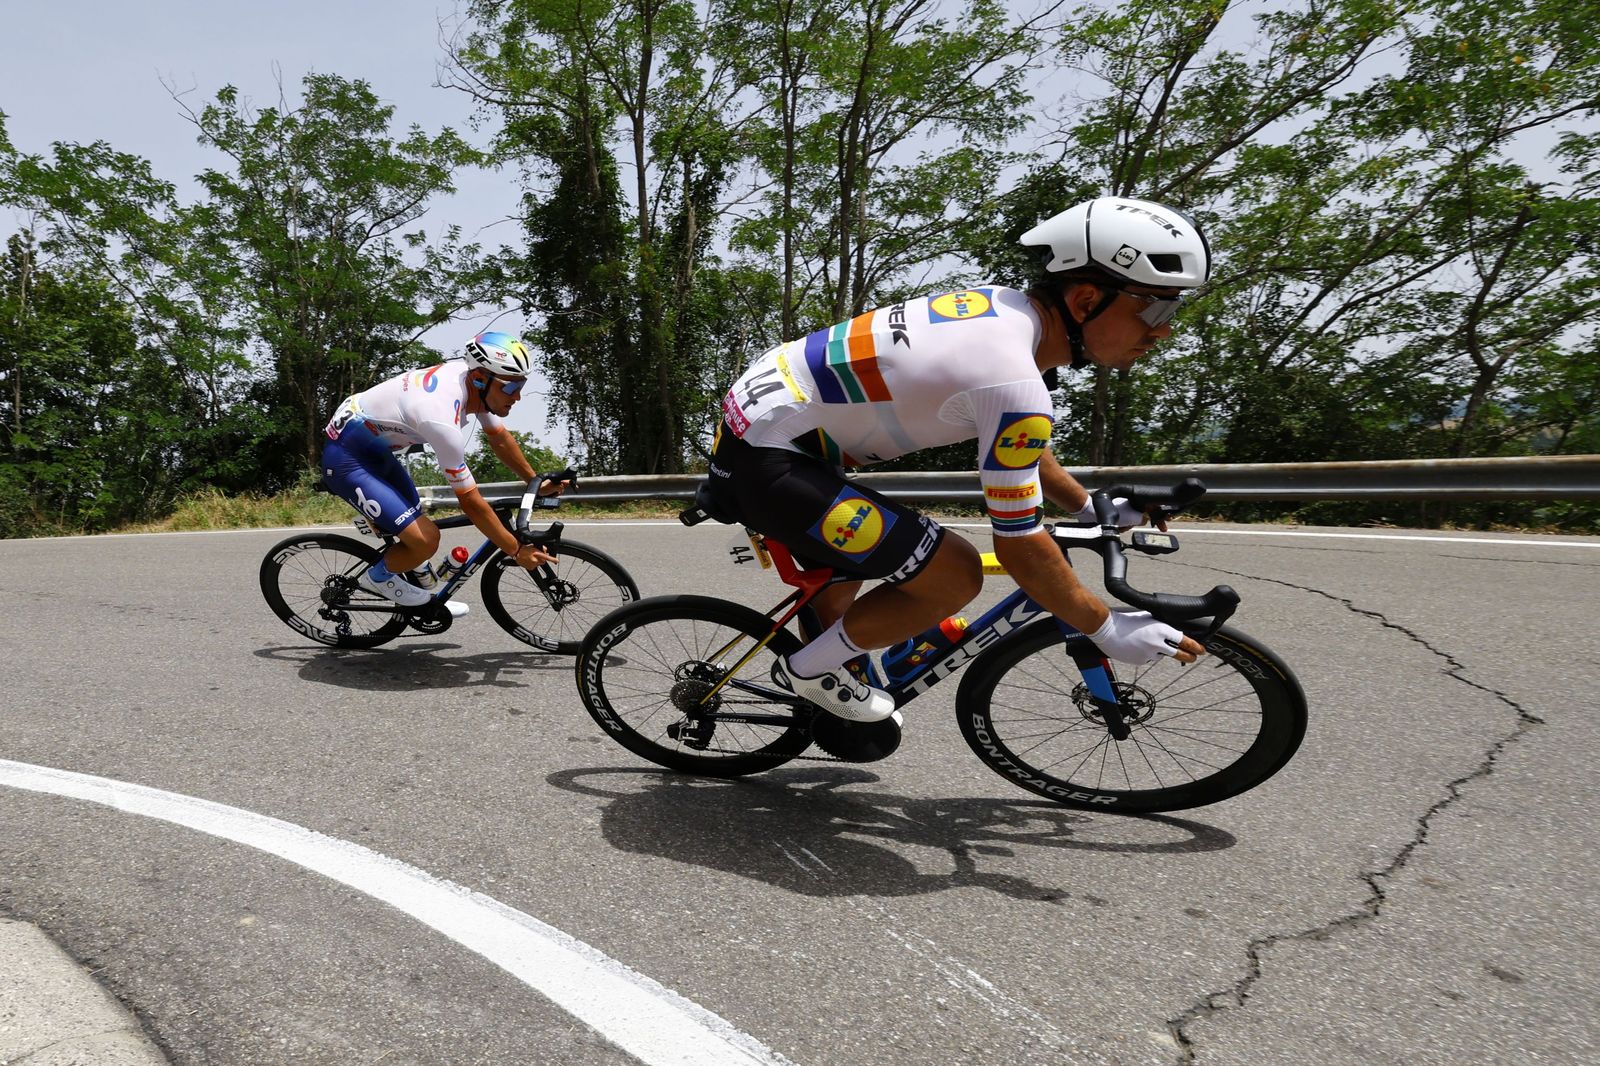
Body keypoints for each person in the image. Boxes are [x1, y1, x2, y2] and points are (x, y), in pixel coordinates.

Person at [705, 195, 1210, 723]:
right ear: (1085, 300)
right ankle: (806, 670)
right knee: (954, 573)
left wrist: (1086, 508)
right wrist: (1105, 627)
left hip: (776, 421)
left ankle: (832, 668)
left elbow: (1021, 444)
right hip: (772, 455)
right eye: (1156, 309)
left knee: (852, 584)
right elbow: (1017, 545)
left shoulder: (1005, 311)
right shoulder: (1011, 377)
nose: (1163, 330)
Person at [321, 331, 563, 612]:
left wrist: (534, 480)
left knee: (414, 527)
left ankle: (404, 562)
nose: (518, 396)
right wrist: (517, 550)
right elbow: (469, 501)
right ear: (480, 378)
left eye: (521, 384)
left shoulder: (475, 383)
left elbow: (498, 438)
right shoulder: (441, 418)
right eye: (510, 387)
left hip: (373, 449)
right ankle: (377, 578)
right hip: (347, 459)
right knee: (426, 540)